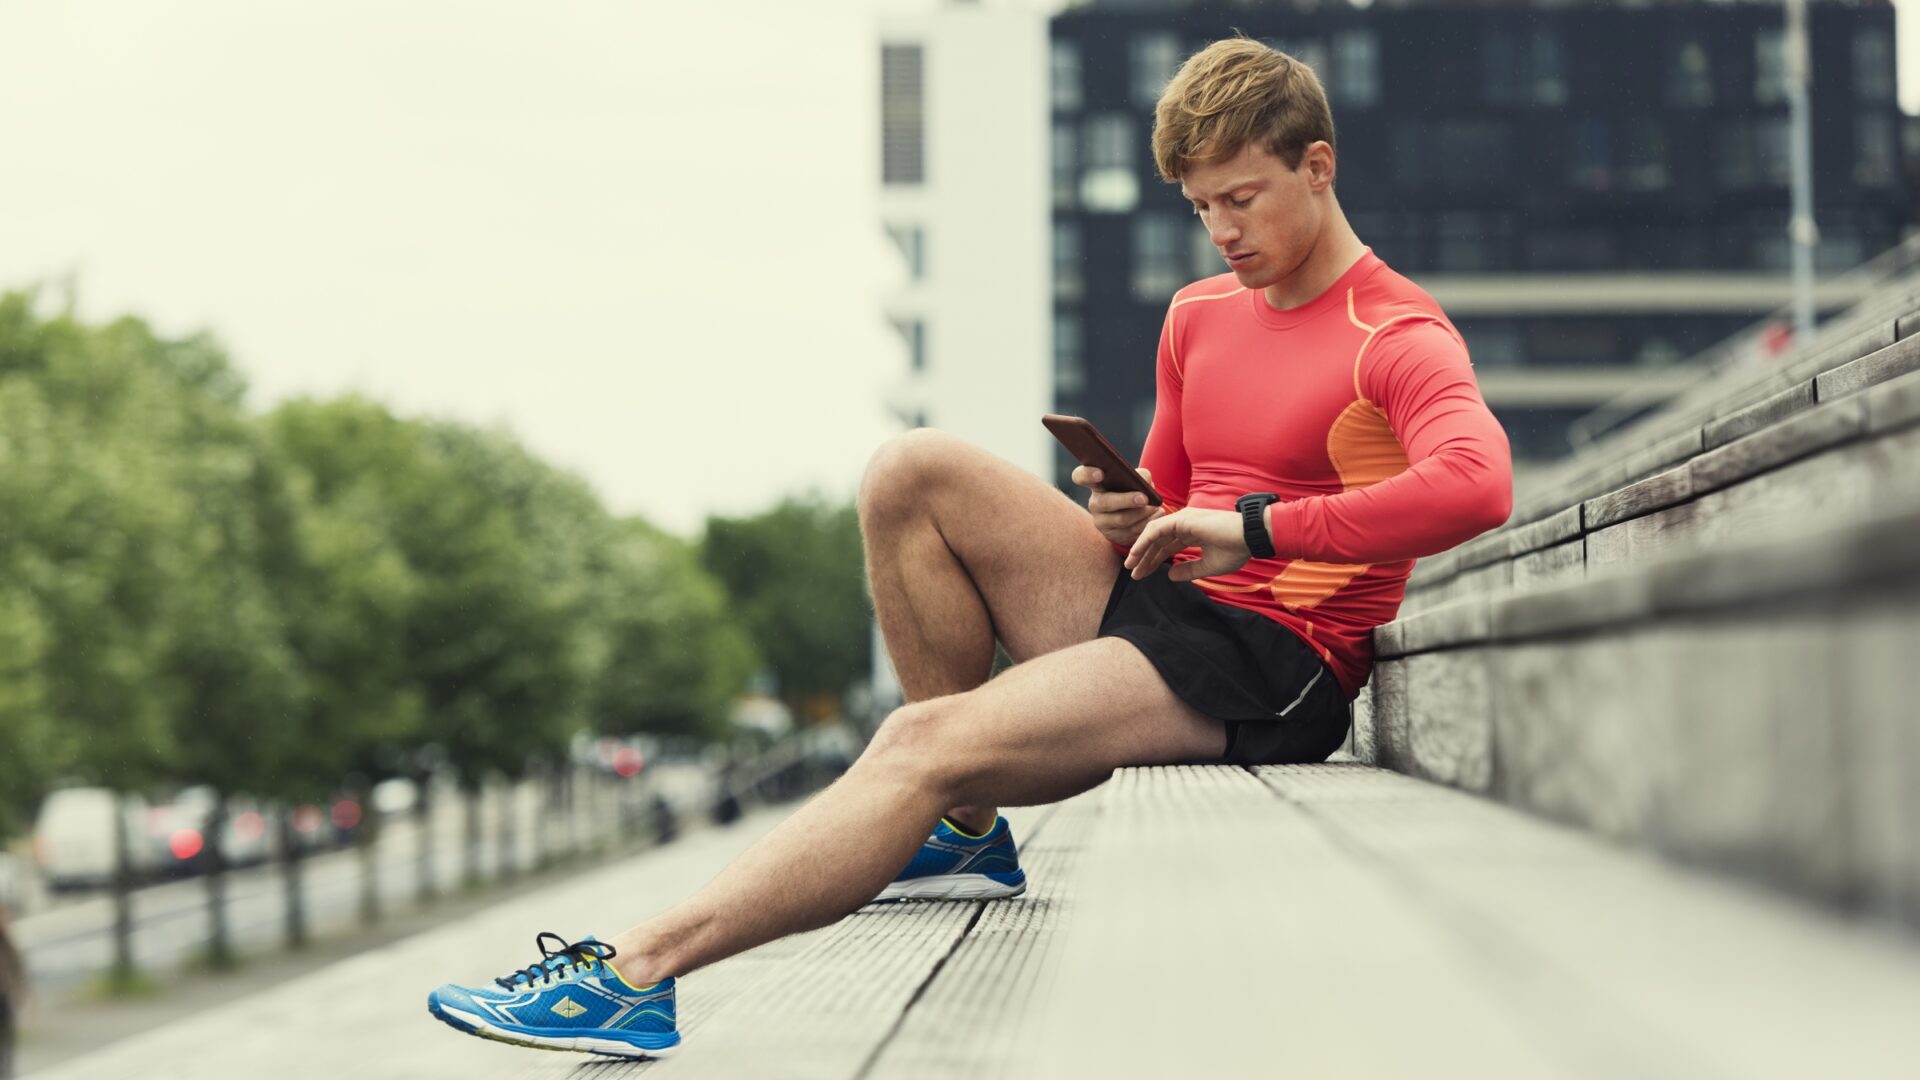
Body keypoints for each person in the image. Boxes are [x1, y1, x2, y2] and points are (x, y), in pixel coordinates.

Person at [426, 35, 1512, 1059]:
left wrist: (1256, 527)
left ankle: (633, 974)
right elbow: (1179, 495)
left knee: (917, 738)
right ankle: (964, 830)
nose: (1221, 230)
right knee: (912, 468)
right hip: (1171, 603)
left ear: (1316, 166)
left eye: (1243, 198)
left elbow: (1479, 485)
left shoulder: (1396, 332)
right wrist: (1135, 512)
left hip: (1274, 662)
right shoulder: (1199, 315)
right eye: (1199, 207)